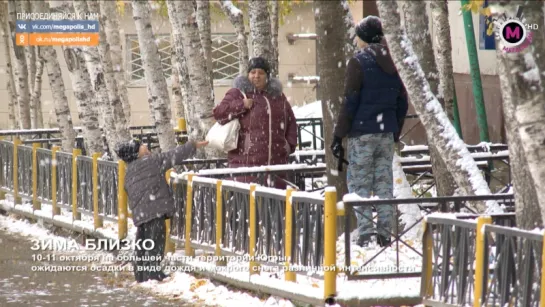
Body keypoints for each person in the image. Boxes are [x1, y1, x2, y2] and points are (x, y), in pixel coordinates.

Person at [330, 16, 409, 248]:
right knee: (384, 183)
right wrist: (394, 130)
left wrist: (338, 134)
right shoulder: (394, 62)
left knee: (360, 184)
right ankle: (385, 234)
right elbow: (402, 102)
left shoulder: (359, 62)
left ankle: (365, 234)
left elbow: (350, 101)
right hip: (386, 134)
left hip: (362, 133)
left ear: (364, 37)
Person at [115, 138, 208, 282]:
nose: (145, 146)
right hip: (154, 210)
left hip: (141, 213)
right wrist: (192, 145)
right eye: (141, 146)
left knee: (143, 242)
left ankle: (140, 273)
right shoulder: (151, 162)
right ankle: (153, 273)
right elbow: (174, 155)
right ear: (136, 153)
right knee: (156, 242)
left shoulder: (129, 171)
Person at [213, 57, 298, 189]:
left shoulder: (278, 97)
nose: (256, 76)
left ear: (267, 76)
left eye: (261, 73)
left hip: (276, 168)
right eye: (253, 72)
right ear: (248, 75)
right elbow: (219, 113)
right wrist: (241, 105)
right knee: (250, 207)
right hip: (245, 168)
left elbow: (291, 121)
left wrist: (288, 146)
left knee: (275, 207)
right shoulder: (238, 93)